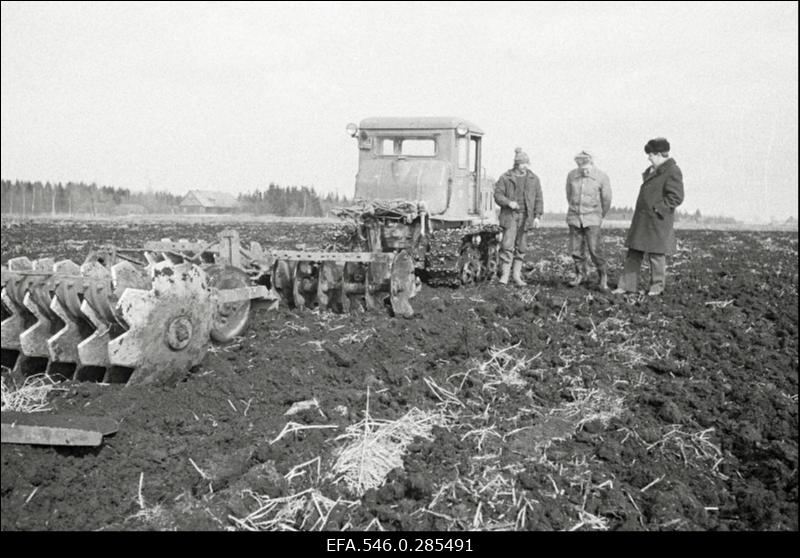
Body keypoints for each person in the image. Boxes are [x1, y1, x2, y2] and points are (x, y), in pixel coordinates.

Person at [612, 137, 684, 296]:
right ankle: (626, 286)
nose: (648, 158)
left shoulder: (672, 171)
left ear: (659, 154)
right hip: (642, 220)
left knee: (656, 255)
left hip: (657, 221)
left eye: (650, 155)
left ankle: (656, 288)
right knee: (633, 253)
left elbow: (676, 197)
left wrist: (658, 209)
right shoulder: (653, 170)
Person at [493, 147, 544, 286]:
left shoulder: (534, 179)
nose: (525, 166)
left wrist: (537, 216)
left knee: (521, 247)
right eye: (522, 164)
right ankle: (504, 276)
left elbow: (539, 198)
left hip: (526, 217)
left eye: (527, 163)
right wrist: (508, 202)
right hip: (510, 216)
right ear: (516, 164)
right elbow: (497, 195)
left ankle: (516, 276)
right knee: (507, 245)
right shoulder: (505, 178)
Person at [565, 150, 612, 291]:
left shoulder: (602, 177)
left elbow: (606, 199)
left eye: (587, 168)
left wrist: (599, 216)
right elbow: (569, 195)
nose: (584, 171)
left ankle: (602, 277)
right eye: (581, 168)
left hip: (592, 219)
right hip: (575, 217)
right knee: (575, 250)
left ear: (592, 163)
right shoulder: (571, 175)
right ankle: (581, 275)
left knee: (594, 250)